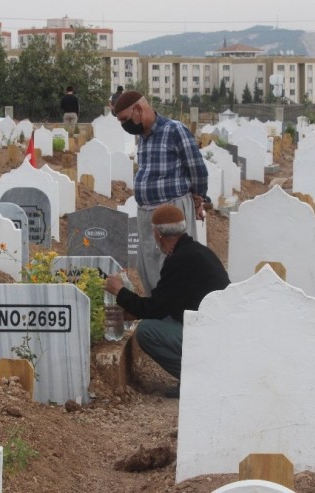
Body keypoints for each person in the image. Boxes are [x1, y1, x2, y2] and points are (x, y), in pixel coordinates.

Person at [104, 204, 230, 392]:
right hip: (222, 328)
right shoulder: (195, 251)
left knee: (147, 331)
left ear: (157, 234)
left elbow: (155, 308)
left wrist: (119, 291)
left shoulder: (180, 260)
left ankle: (198, 380)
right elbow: (167, 303)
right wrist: (134, 310)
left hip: (213, 334)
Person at [112, 90, 209, 296]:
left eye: (125, 119)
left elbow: (197, 169)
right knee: (148, 265)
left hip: (172, 209)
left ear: (139, 110)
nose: (124, 126)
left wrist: (198, 199)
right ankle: (157, 312)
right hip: (146, 212)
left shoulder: (174, 130)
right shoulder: (143, 137)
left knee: (174, 267)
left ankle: (175, 316)